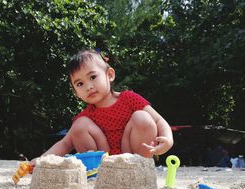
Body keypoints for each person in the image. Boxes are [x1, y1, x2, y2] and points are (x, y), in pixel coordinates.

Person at [32, 49, 173, 164]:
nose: (88, 86)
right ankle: (95, 172)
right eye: (80, 84)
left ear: (110, 75)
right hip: (104, 166)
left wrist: (167, 140)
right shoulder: (86, 117)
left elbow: (159, 121)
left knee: (142, 117)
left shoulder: (129, 98)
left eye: (93, 77)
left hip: (133, 158)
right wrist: (41, 160)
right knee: (79, 126)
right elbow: (65, 144)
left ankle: (140, 167)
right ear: (76, 93)